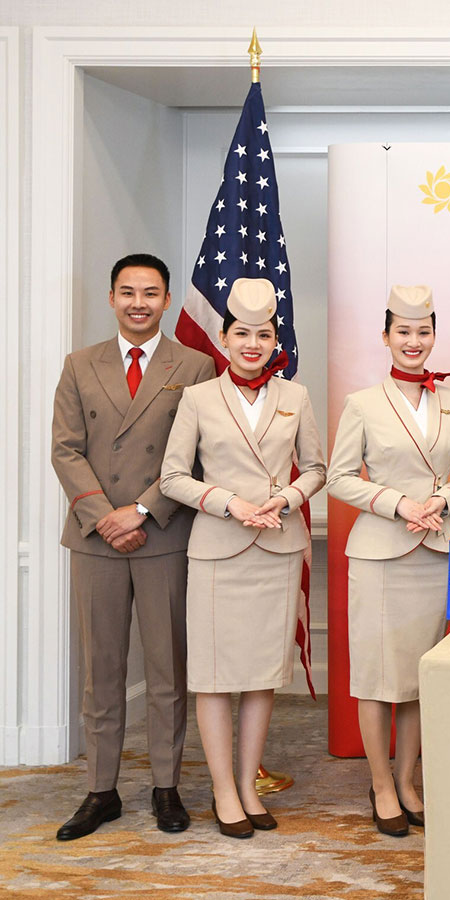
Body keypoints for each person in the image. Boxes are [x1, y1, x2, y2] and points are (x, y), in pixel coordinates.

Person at [49, 253, 214, 840]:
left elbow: (196, 454)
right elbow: (65, 449)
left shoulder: (194, 365)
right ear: (112, 297)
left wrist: (142, 510)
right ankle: (100, 790)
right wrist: (106, 516)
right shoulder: (78, 364)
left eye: (150, 292)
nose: (139, 302)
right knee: (101, 670)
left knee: (168, 668)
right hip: (96, 538)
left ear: (167, 300)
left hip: (163, 534)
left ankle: (166, 786)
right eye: (127, 292)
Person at [159, 278, 326, 838]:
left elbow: (319, 469)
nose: (252, 344)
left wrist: (285, 498)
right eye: (241, 334)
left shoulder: (295, 398)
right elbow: (173, 477)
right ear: (224, 339)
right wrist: (231, 503)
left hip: (277, 544)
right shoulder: (198, 398)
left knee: (260, 677)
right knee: (212, 677)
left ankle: (249, 786)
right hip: (218, 550)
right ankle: (223, 789)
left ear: (275, 339)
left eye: (263, 334)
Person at [327, 285, 450, 836]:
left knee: (420, 675)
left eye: (423, 332)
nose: (413, 342)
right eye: (403, 332)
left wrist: (442, 501)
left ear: (434, 335)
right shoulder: (362, 403)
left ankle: (409, 779)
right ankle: (381, 783)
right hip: (380, 553)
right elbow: (339, 477)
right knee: (376, 676)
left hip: (436, 549)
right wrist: (399, 504)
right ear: (385, 336)